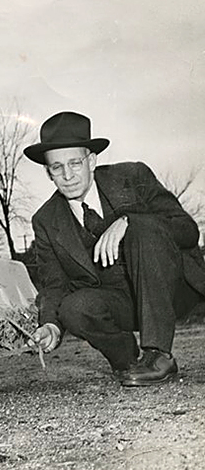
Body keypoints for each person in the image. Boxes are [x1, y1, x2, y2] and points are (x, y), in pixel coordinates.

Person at [24, 111, 205, 386]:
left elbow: (188, 231)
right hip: (120, 303)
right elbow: (54, 285)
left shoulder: (132, 176)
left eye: (75, 163)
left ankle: (159, 354)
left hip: (172, 289)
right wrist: (50, 325)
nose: (68, 175)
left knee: (142, 227)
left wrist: (130, 221)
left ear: (92, 160)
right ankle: (129, 361)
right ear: (48, 172)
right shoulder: (46, 220)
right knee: (74, 308)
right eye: (57, 167)